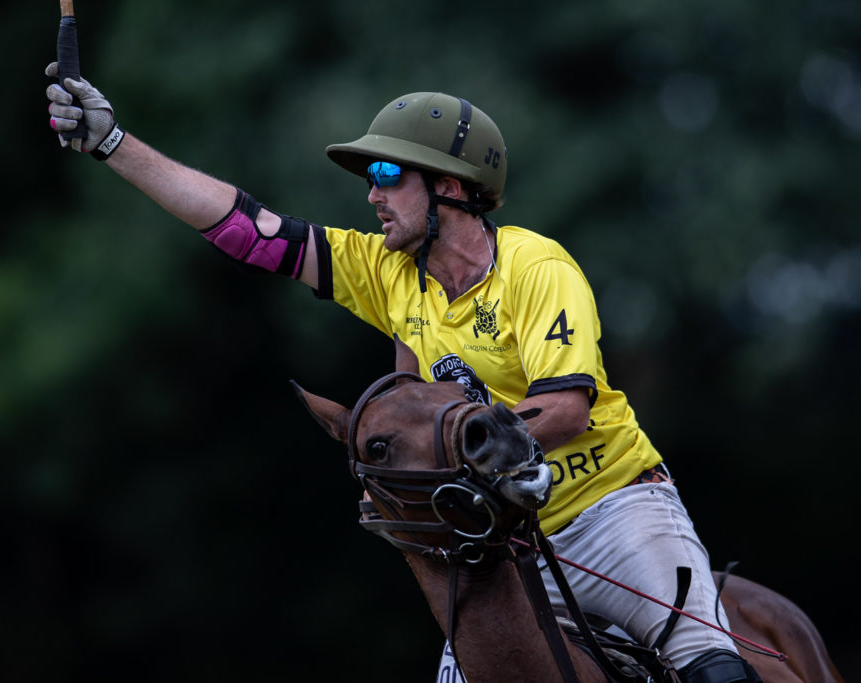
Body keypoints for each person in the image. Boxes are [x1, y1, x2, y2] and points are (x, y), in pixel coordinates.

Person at [44, 63, 761, 683]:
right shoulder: (388, 273)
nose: (370, 193)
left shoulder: (536, 267)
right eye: (368, 177)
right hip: (509, 538)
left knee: (711, 663)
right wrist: (113, 144)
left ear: (452, 187)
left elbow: (567, 409)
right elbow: (249, 231)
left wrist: (460, 452)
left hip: (611, 511)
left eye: (386, 173)